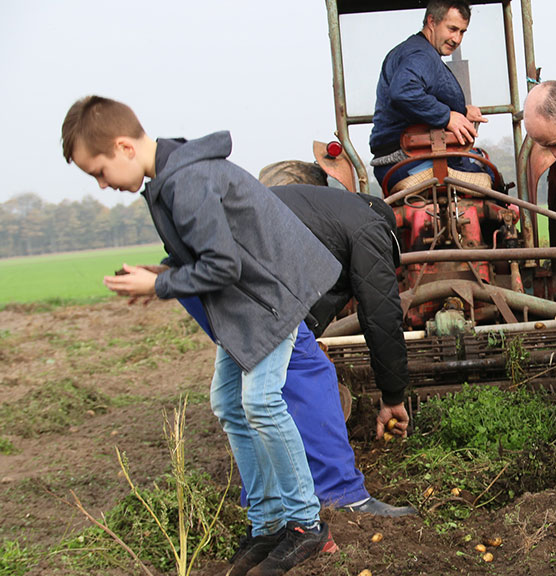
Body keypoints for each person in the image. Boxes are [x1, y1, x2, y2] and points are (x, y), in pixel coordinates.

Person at [62, 96, 338, 576]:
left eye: (99, 172)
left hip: (268, 299)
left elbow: (222, 264)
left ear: (124, 147)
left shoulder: (185, 179)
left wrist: (160, 285)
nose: (103, 184)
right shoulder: (172, 175)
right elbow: (206, 249)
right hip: (246, 304)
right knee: (229, 402)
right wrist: (162, 272)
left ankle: (306, 525)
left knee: (261, 401)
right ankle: (269, 520)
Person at [176, 295, 417, 518]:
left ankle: (264, 506)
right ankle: (338, 493)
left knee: (232, 397)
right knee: (306, 370)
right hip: (256, 290)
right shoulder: (370, 246)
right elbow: (381, 307)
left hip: (221, 289)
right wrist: (393, 396)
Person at [269, 183, 410, 441]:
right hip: (262, 267)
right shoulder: (371, 230)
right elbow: (382, 317)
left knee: (250, 393)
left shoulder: (336, 211)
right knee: (310, 372)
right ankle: (323, 459)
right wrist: (393, 396)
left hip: (233, 252)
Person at [368, 0, 489, 190]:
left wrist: (462, 112)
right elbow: (404, 91)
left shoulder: (417, 52)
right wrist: (446, 116)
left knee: (481, 160)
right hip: (410, 161)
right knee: (490, 178)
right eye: (452, 29)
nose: (456, 39)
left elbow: (422, 97)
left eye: (462, 32)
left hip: (411, 158)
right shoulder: (420, 55)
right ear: (432, 21)